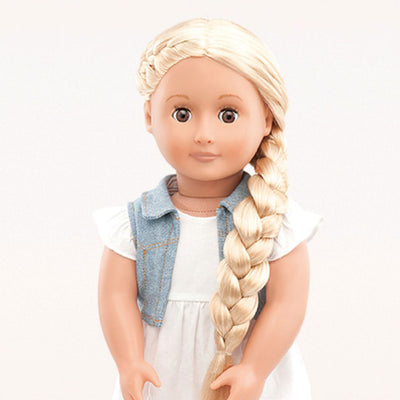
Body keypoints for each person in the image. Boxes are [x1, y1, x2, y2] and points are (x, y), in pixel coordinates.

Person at [92, 17, 324, 400]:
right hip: (161, 375)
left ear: (266, 119)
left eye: (228, 115)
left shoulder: (274, 222)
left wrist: (255, 368)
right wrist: (129, 361)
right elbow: (115, 296)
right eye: (182, 114)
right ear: (149, 115)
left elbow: (286, 303)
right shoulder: (135, 223)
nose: (204, 135)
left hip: (244, 375)